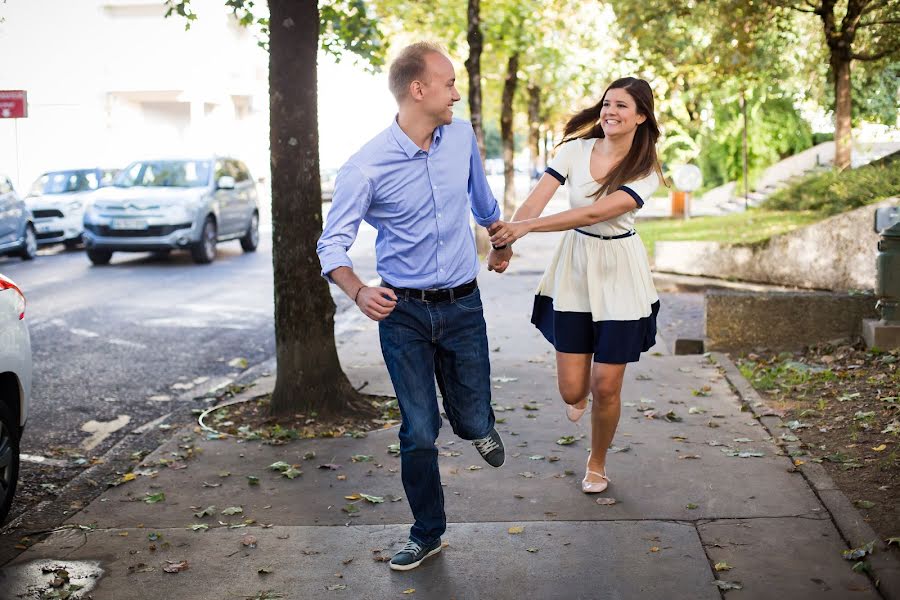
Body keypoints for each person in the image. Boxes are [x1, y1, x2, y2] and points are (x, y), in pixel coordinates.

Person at [316, 42, 513, 572]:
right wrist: (358, 290)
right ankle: (428, 532)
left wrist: (501, 238)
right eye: (448, 83)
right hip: (403, 313)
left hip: (463, 306)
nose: (456, 92)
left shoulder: (461, 137)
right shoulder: (365, 166)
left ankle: (477, 425)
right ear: (418, 90)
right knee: (419, 429)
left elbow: (482, 199)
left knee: (471, 418)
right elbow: (330, 245)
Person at [488, 77, 663, 495]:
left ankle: (597, 461)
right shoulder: (574, 151)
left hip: (620, 272)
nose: (610, 112)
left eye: (622, 106)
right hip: (575, 269)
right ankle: (577, 396)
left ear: (641, 116)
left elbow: (592, 215)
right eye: (606, 103)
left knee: (607, 384)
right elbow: (535, 199)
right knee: (572, 389)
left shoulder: (646, 170)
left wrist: (525, 227)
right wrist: (509, 237)